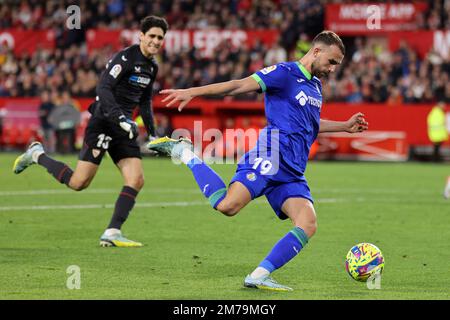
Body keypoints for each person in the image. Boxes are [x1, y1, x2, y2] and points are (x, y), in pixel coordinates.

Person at [148, 30, 369, 291]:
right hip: (271, 155)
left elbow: (310, 124)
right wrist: (194, 92)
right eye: (332, 62)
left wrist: (344, 126)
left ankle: (259, 275)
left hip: (293, 169)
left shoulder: (316, 86)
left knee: (308, 223)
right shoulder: (284, 73)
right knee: (227, 206)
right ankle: (184, 152)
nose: (332, 69)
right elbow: (239, 85)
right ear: (317, 51)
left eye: (337, 65)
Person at [13, 15, 168, 247]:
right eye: (152, 36)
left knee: (136, 179)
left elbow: (145, 101)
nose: (156, 41)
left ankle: (112, 232)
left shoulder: (152, 66)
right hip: (104, 121)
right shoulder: (125, 58)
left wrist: (153, 133)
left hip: (124, 128)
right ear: (141, 36)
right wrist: (119, 117)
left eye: (160, 38)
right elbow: (104, 88)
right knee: (79, 182)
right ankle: (37, 154)